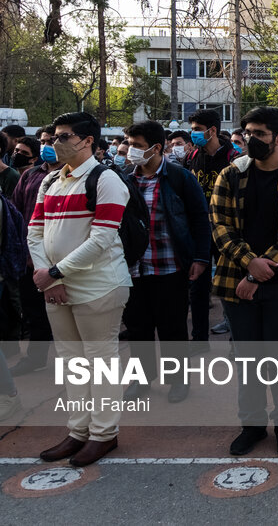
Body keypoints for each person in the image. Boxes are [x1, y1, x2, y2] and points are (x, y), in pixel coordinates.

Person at [211, 106, 278, 457]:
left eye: (259, 133)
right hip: (237, 282)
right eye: (248, 133)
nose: (251, 139)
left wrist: (256, 274)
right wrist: (248, 264)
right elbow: (220, 227)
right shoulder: (231, 175)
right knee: (247, 361)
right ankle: (252, 426)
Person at [28, 111, 132, 467]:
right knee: (71, 361)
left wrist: (55, 273)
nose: (54, 143)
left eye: (64, 137)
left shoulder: (106, 179)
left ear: (88, 141)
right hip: (57, 286)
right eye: (52, 137)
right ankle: (78, 430)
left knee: (100, 362)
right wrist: (51, 278)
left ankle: (103, 434)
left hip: (99, 286)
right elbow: (35, 232)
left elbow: (101, 239)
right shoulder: (50, 181)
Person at [122, 120, 211, 405]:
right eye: (130, 144)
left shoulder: (179, 178)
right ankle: (142, 377)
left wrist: (201, 258)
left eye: (137, 145)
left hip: (170, 267)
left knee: (172, 328)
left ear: (156, 148)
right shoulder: (124, 179)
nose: (131, 150)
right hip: (132, 269)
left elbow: (200, 219)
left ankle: (177, 379)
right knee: (138, 327)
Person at [8, 126, 58, 376]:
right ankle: (36, 357)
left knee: (65, 313)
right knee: (33, 310)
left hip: (59, 258)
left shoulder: (76, 177)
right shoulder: (30, 175)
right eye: (44, 141)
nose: (47, 145)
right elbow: (15, 211)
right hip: (28, 255)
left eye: (53, 140)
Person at [186, 108, 239, 344]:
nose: (193, 134)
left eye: (197, 129)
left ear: (212, 130)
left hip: (225, 231)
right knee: (197, 286)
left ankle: (236, 336)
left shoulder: (233, 158)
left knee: (229, 285)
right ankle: (199, 339)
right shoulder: (192, 157)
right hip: (199, 232)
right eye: (192, 129)